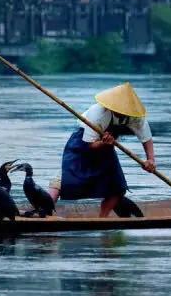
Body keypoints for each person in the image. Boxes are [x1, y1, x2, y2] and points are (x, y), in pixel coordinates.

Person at [48, 83, 156, 218]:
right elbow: (89, 146)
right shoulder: (98, 113)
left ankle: (102, 219)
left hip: (107, 145)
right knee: (65, 178)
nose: (121, 112)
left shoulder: (135, 116)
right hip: (84, 143)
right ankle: (44, 211)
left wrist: (150, 160)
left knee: (117, 187)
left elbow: (146, 138)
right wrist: (104, 143)